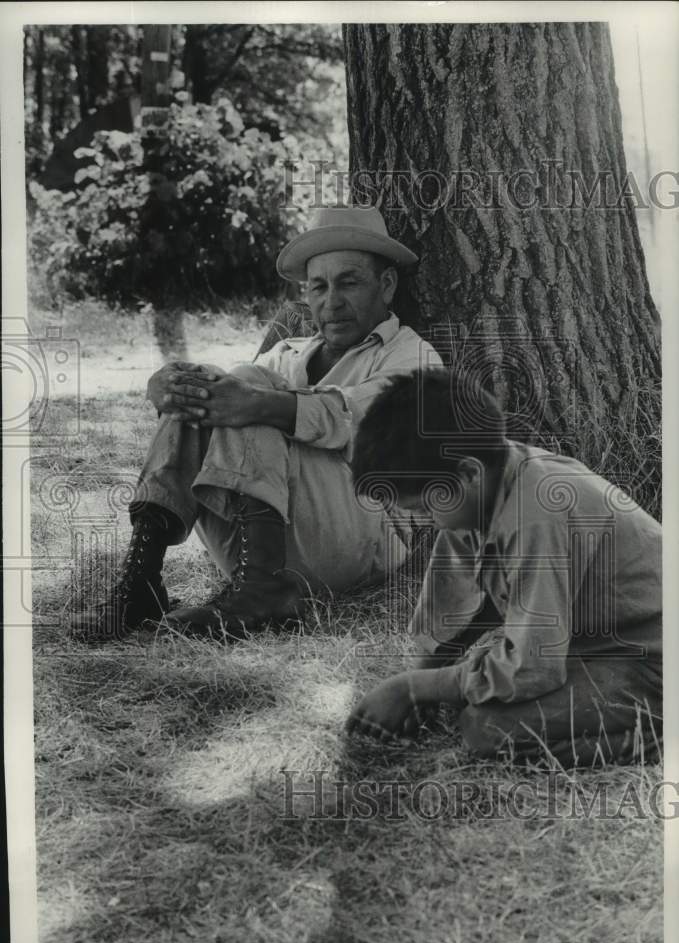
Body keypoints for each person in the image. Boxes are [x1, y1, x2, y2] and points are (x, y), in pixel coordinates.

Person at [72, 206, 443, 641]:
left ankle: (260, 591)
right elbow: (224, 411)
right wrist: (168, 388)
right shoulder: (286, 353)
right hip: (252, 547)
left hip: (360, 541)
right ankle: (142, 579)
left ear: (386, 285)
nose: (331, 301)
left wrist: (253, 400)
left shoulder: (413, 357)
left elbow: (349, 419)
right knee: (211, 385)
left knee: (245, 390)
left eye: (349, 282)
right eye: (318, 287)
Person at [346, 369, 662, 767]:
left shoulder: (537, 513)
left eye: (425, 507)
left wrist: (413, 688)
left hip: (653, 665)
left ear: (468, 474)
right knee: (474, 707)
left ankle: (660, 737)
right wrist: (421, 682)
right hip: (601, 651)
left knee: (488, 729)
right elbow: (452, 611)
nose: (429, 521)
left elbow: (532, 669)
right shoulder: (479, 487)